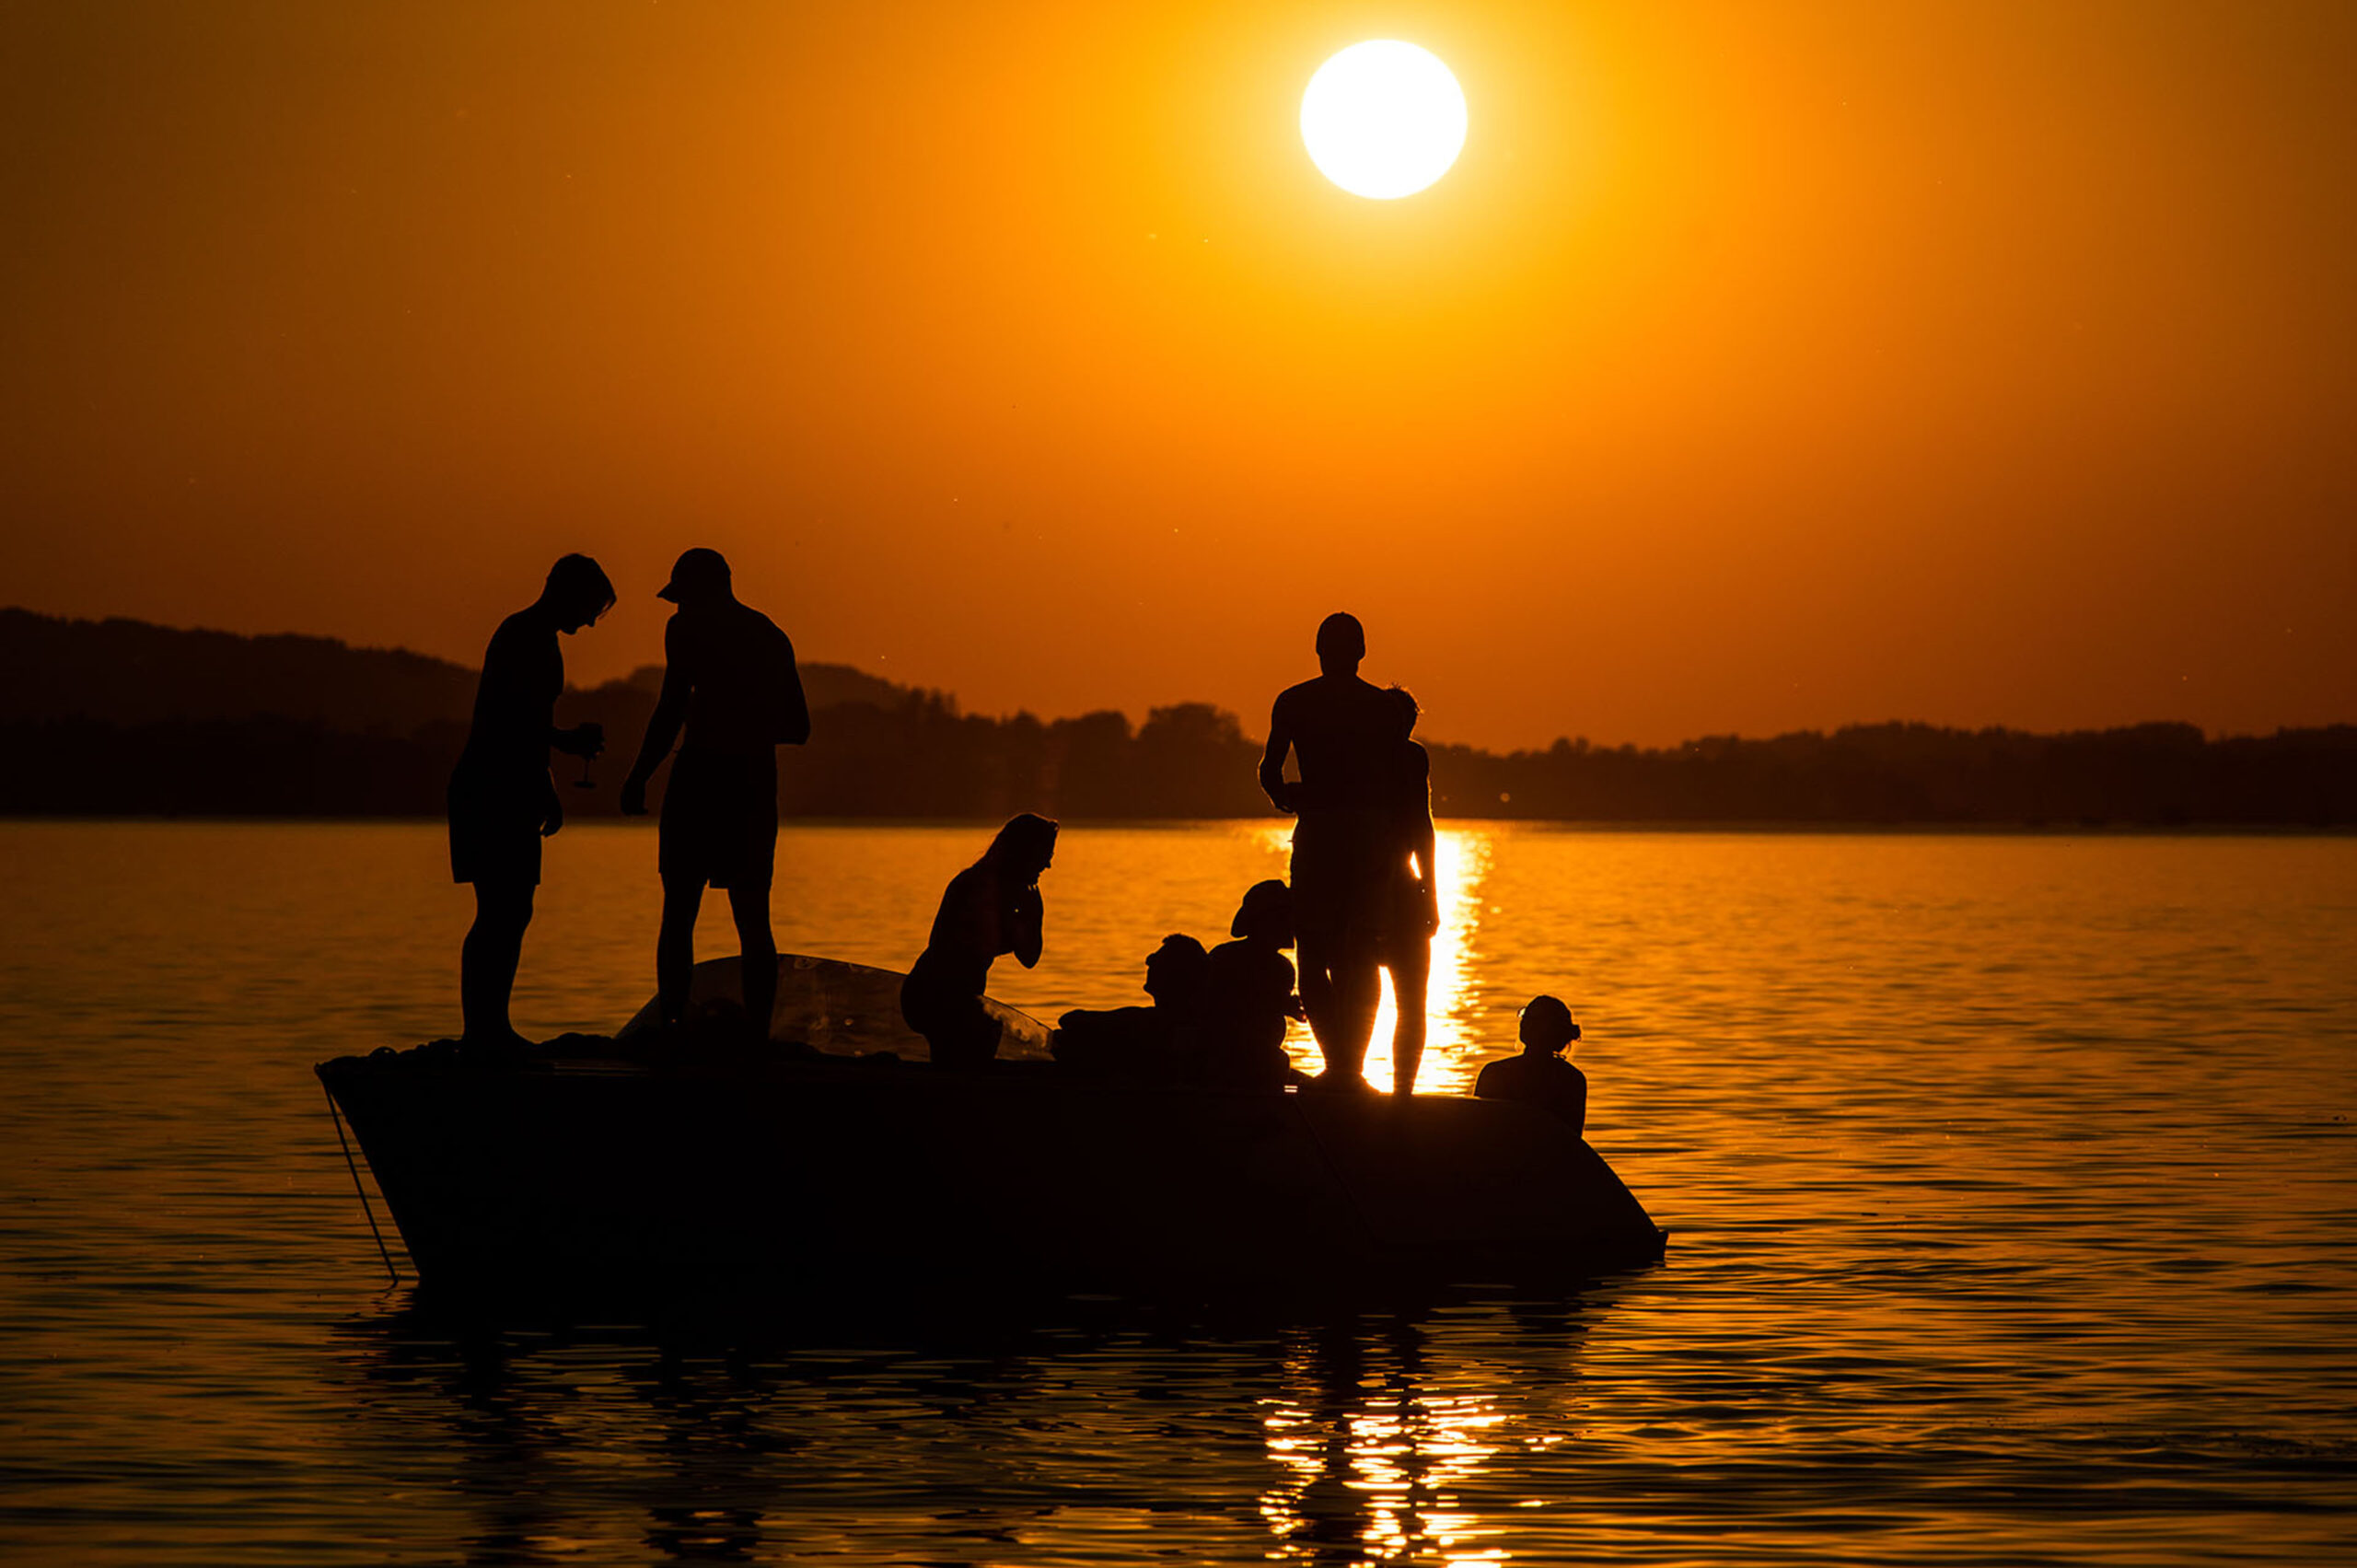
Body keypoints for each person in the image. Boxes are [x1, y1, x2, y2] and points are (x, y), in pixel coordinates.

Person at [619, 548, 809, 1040]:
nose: (679, 610)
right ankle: (729, 1031)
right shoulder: (768, 635)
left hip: (713, 779)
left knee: (694, 912)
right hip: (743, 781)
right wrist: (641, 774)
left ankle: (683, 1026)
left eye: (684, 599)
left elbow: (670, 711)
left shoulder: (688, 631)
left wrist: (642, 774)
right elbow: (796, 727)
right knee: (742, 916)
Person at [447, 553, 614, 1045]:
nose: (588, 621)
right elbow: (510, 720)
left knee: (511, 908)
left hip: (511, 785)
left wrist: (547, 781)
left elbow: (525, 724)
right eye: (590, 607)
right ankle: (483, 1030)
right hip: (490, 787)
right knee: (501, 909)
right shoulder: (523, 636)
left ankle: (491, 1026)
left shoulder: (535, 637)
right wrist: (564, 745)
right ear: (565, 591)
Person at [1257, 611, 1398, 1088]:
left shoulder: (1297, 701)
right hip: (1363, 841)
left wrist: (1291, 798)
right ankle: (1346, 1066)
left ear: (1320, 651)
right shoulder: (1377, 706)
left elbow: (1269, 773)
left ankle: (1343, 1065)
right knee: (1357, 955)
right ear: (1361, 652)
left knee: (1320, 954)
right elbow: (1397, 783)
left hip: (1324, 835)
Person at [900, 813, 1058, 1069]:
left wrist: (1034, 914)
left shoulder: (1013, 893)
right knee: (977, 1041)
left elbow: (1030, 958)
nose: (1047, 865)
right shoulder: (978, 886)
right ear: (1024, 852)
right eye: (1045, 856)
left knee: (972, 1044)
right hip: (933, 994)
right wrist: (1026, 917)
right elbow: (974, 948)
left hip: (958, 997)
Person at [1376, 688, 1441, 1098]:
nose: (1403, 730)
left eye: (1409, 722)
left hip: (1401, 885)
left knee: (1412, 1001)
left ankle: (1403, 1091)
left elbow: (1422, 824)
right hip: (1361, 886)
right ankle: (1350, 1079)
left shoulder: (1414, 756)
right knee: (1358, 993)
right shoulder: (1353, 754)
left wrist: (1430, 892)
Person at [1052, 934, 1210, 1080]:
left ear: (1177, 975)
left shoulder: (1158, 1022)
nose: (1149, 962)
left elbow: (1071, 1020)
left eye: (1158, 959)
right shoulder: (1182, 1022)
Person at [1199, 879, 1304, 1090]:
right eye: (1283, 918)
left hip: (1256, 1057)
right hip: (1237, 1057)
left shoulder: (1279, 966)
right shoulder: (1228, 958)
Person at [1473, 995, 1588, 1134]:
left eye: (1532, 1019)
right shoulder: (1573, 1079)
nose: (1524, 1022)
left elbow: (1477, 1130)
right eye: (1525, 1016)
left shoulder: (1495, 1073)